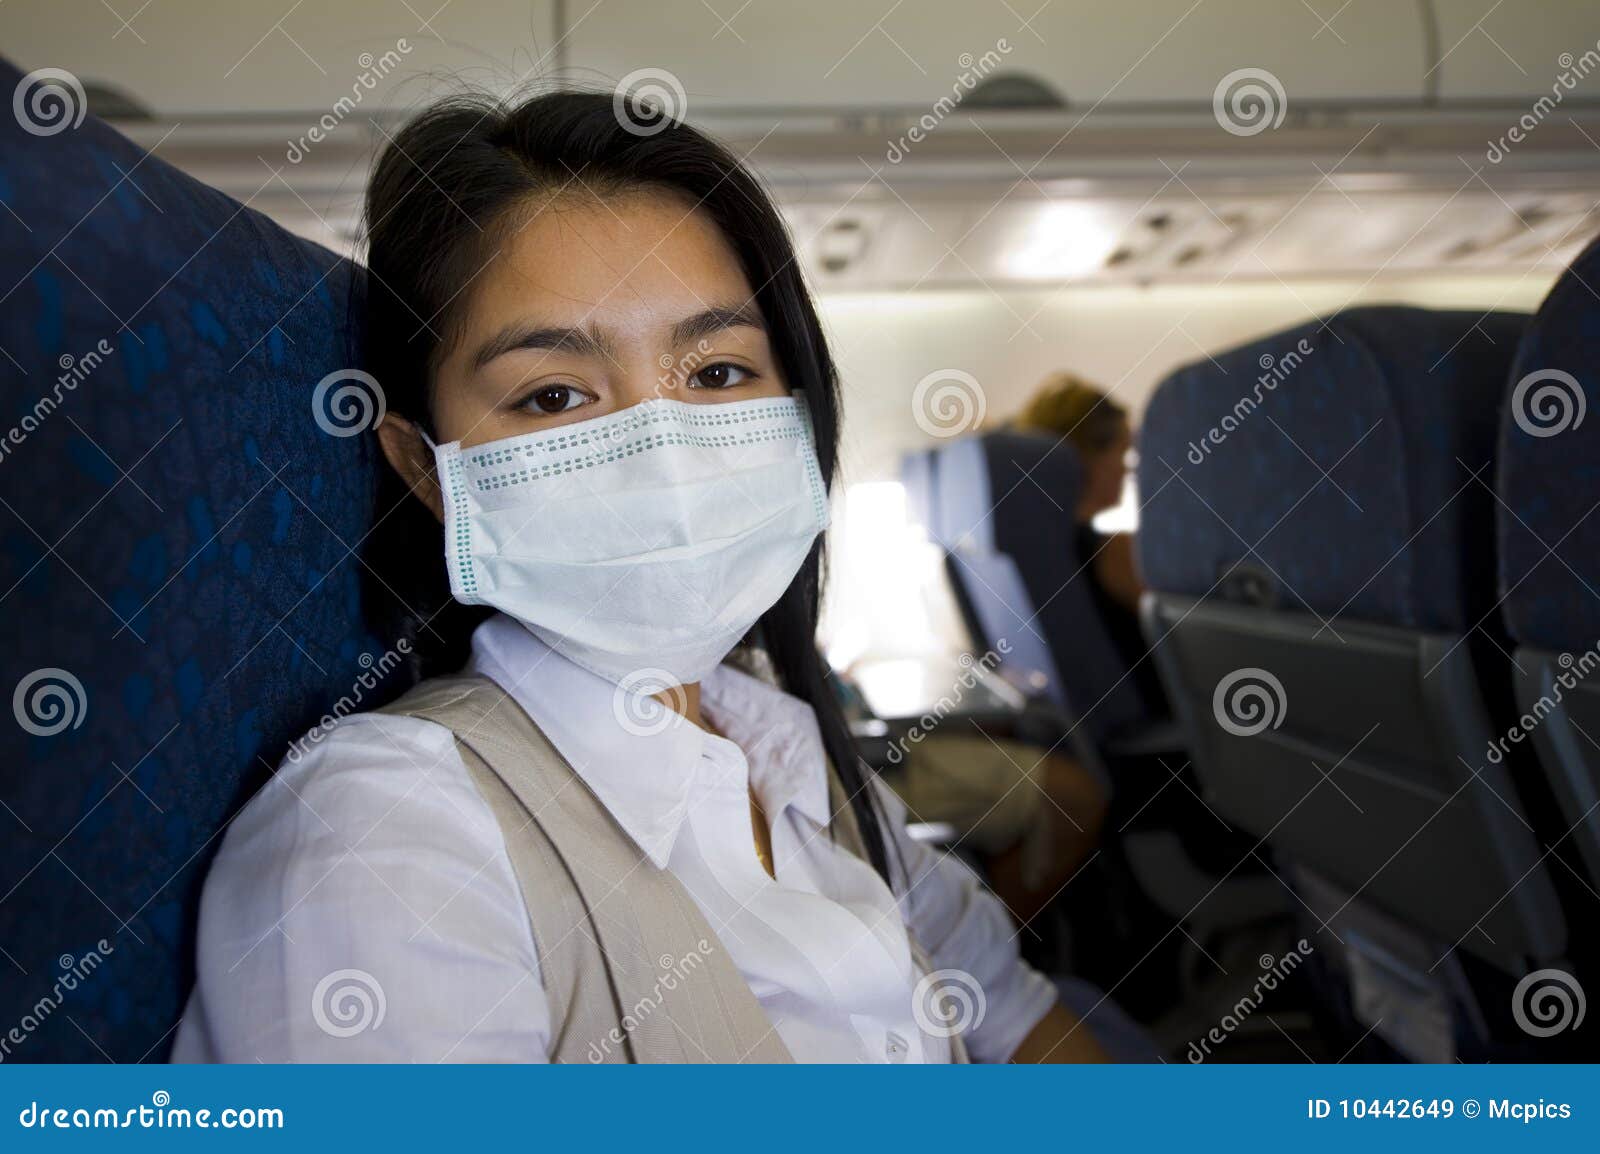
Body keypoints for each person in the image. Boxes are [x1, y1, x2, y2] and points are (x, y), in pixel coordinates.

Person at [170, 90, 1107, 1064]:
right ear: (424, 467)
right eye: (554, 393)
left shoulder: (780, 741)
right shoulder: (384, 837)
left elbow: (1011, 1012)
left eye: (715, 374)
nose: (664, 457)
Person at [1013, 374, 1165, 713]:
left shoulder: (1036, 547)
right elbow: (1190, 642)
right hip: (1165, 721)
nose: (1128, 473)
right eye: (1123, 455)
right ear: (1083, 456)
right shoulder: (1114, 552)